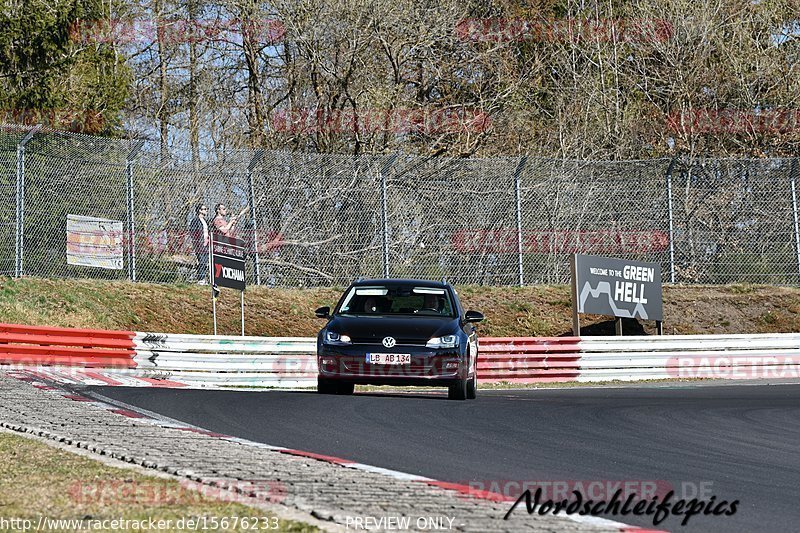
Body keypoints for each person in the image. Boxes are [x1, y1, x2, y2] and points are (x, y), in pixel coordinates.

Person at [188, 203, 210, 284]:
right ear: (199, 210)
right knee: (202, 261)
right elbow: (192, 232)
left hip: (206, 244)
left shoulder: (205, 221)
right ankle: (201, 279)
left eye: (206, 209)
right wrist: (196, 242)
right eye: (204, 209)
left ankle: (203, 278)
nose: (206, 210)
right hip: (199, 244)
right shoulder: (195, 220)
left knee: (205, 262)